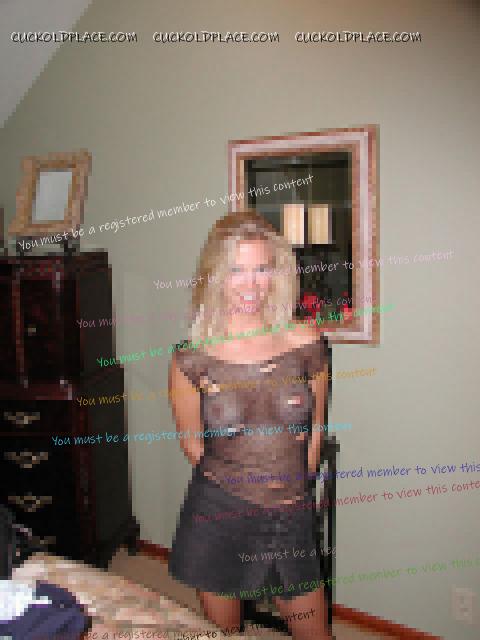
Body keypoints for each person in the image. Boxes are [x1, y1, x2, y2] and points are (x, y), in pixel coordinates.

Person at [168, 210, 332, 640]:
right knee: (225, 633)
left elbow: (316, 426)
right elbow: (191, 442)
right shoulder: (192, 356)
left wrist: (296, 490)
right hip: (220, 512)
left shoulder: (306, 342)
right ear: (214, 275)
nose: (251, 284)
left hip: (290, 513)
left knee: (316, 634)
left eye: (262, 268)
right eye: (236, 270)